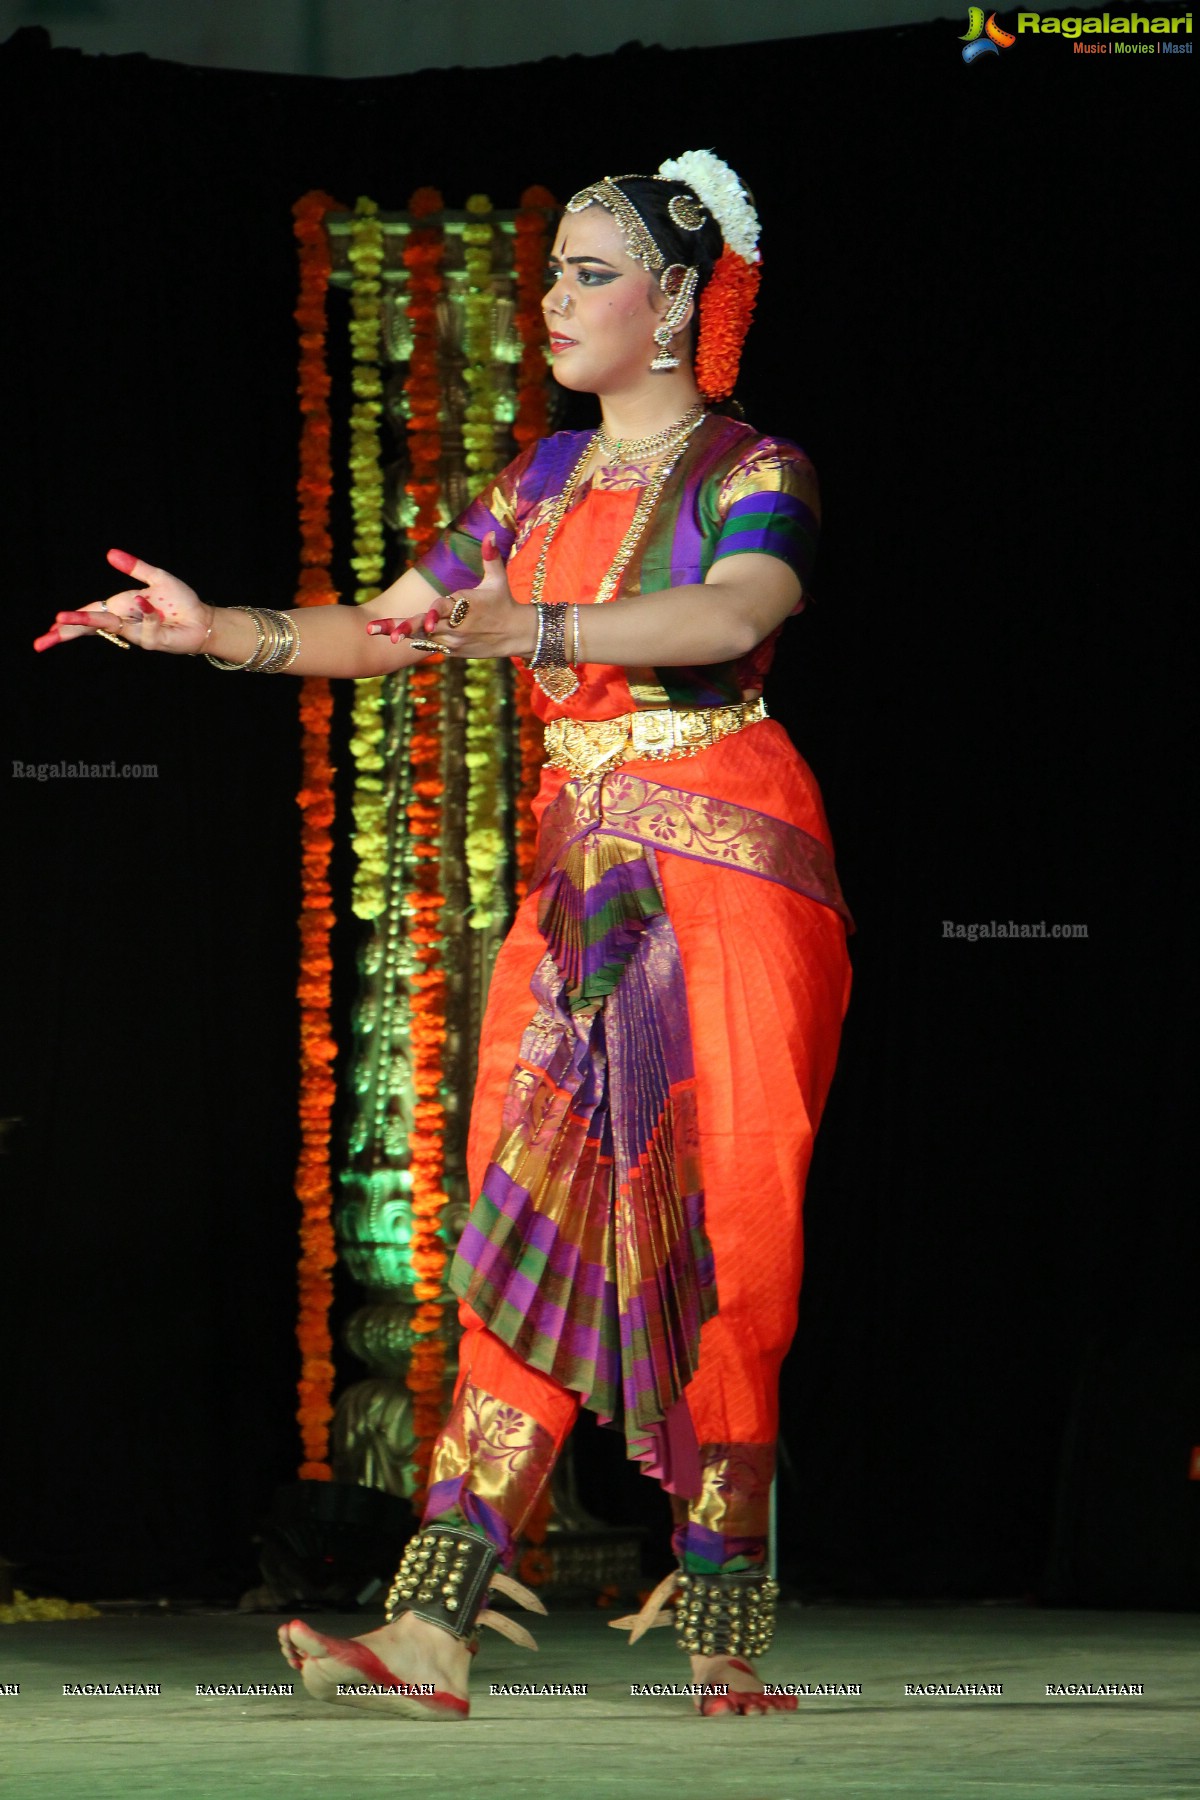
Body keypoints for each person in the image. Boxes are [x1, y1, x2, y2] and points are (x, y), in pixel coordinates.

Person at [36, 151, 853, 1719]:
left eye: (592, 272)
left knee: (730, 1232)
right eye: (551, 272)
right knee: (525, 1219)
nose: (554, 300)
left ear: (681, 300)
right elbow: (384, 628)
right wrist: (214, 635)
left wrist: (528, 629)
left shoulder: (759, 466)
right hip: (581, 879)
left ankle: (725, 1616)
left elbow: (735, 615)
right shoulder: (534, 485)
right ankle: (432, 1625)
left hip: (735, 866)